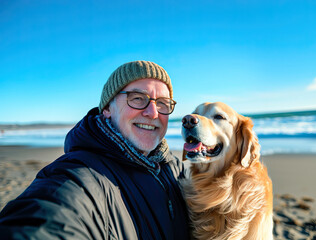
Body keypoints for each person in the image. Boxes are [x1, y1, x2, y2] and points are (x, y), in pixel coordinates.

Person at [0, 61, 190, 239]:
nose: (153, 112)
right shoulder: (81, 174)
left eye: (162, 103)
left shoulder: (174, 170)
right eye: (138, 98)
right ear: (107, 108)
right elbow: (48, 218)